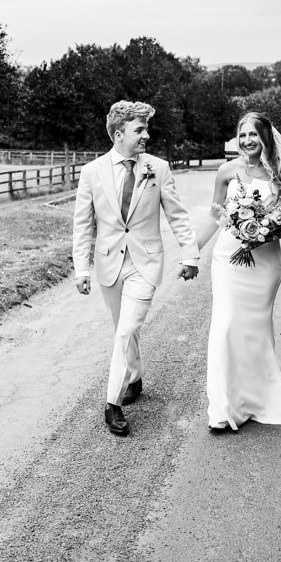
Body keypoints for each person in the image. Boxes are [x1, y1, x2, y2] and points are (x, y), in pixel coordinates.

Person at [73, 101, 200, 437]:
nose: (147, 134)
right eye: (139, 129)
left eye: (146, 128)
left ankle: (112, 403)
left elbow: (177, 214)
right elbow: (83, 224)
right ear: (118, 134)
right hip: (109, 263)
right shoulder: (92, 172)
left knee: (127, 329)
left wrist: (190, 254)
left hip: (145, 262)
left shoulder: (158, 168)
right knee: (122, 328)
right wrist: (81, 269)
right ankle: (135, 377)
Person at [193, 112, 281, 432]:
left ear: (266, 138)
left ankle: (263, 393)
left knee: (255, 329)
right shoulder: (226, 172)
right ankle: (223, 407)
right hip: (227, 260)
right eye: (242, 134)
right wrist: (191, 252)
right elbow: (215, 216)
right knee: (226, 325)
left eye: (254, 135)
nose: (247, 141)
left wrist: (261, 235)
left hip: (265, 262)